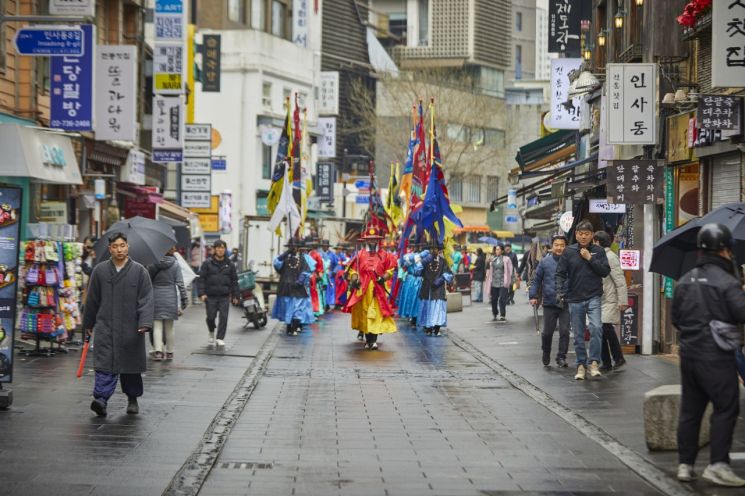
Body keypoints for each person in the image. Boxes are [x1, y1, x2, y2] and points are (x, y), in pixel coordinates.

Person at [672, 223, 745, 487]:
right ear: (725, 250)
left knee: (691, 411)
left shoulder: (685, 280)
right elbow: (741, 314)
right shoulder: (727, 282)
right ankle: (717, 465)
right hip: (716, 355)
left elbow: (676, 319)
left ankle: (685, 465)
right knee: (726, 408)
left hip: (689, 354)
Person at [83, 232, 153, 417]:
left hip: (131, 327)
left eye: (122, 245)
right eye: (115, 246)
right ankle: (101, 400)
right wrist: (88, 323)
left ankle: (132, 398)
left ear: (127, 247)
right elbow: (92, 300)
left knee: (130, 367)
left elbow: (146, 299)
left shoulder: (140, 271)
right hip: (106, 325)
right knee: (105, 363)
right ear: (110, 249)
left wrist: (144, 322)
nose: (119, 250)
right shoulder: (100, 271)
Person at [555, 220, 610, 380]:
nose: (584, 236)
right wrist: (559, 292)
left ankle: (593, 362)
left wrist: (590, 258)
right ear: (576, 235)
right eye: (581, 234)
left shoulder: (598, 251)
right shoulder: (569, 251)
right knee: (578, 334)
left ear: (592, 235)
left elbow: (605, 272)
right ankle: (580, 365)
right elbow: (560, 273)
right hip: (574, 298)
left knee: (596, 328)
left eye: (587, 234)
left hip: (594, 296)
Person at [344, 228, 397, 349]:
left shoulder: (385, 255)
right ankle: (368, 340)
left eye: (374, 239)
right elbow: (353, 270)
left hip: (377, 289)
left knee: (376, 313)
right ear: (366, 241)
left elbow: (390, 269)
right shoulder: (360, 254)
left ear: (378, 241)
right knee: (364, 313)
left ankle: (373, 340)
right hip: (363, 289)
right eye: (370, 239)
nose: (372, 241)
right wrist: (354, 278)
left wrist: (384, 277)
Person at [529, 235, 570, 368]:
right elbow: (536, 280)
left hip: (566, 301)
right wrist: (533, 295)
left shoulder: (572, 262)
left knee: (564, 331)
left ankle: (561, 357)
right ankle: (546, 352)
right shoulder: (545, 262)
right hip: (549, 302)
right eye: (556, 245)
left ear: (566, 247)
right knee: (547, 332)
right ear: (552, 247)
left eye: (562, 245)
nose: (559, 248)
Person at [593, 231, 628, 372]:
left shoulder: (610, 257)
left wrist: (622, 300)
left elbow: (620, 280)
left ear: (598, 242)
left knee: (605, 328)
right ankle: (606, 362)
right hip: (601, 298)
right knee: (600, 330)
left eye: (594, 242)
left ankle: (618, 358)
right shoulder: (601, 256)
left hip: (610, 299)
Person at [148, 247, 188, 361]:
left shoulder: (153, 264)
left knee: (157, 326)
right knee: (169, 327)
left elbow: (147, 281)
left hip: (156, 297)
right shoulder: (175, 264)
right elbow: (180, 283)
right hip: (170, 298)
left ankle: (158, 352)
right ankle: (170, 352)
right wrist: (184, 299)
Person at [197, 240, 239, 347]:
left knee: (224, 317)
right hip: (210, 295)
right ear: (214, 249)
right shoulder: (207, 263)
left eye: (223, 248)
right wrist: (201, 293)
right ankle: (211, 331)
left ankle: (220, 338)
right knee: (210, 317)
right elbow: (201, 279)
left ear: (225, 250)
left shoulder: (230, 264)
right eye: (218, 248)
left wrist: (235, 295)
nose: (220, 250)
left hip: (224, 296)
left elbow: (234, 281)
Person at [271, 239, 315, 335]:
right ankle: (289, 327)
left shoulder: (303, 258)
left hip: (298, 288)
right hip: (286, 287)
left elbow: (306, 271)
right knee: (287, 308)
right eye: (291, 247)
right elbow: (276, 264)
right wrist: (286, 253)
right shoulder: (285, 257)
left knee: (297, 309)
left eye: (295, 247)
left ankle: (295, 327)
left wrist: (299, 281)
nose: (294, 249)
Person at [416, 240, 453, 336]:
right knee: (427, 307)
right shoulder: (425, 261)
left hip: (438, 289)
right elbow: (417, 272)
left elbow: (448, 274)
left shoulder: (443, 261)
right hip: (426, 288)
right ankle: (428, 328)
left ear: (439, 250)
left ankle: (437, 328)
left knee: (438, 308)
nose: (433, 250)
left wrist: (440, 280)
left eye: (435, 249)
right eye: (431, 248)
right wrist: (423, 262)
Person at [488, 244, 514, 322]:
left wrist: (510, 280)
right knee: (494, 299)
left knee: (502, 298)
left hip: (503, 282)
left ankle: (502, 315)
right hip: (494, 282)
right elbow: (489, 269)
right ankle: (495, 313)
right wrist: (489, 262)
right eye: (496, 249)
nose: (497, 251)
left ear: (502, 251)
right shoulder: (493, 259)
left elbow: (510, 270)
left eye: (498, 249)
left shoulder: (506, 259)